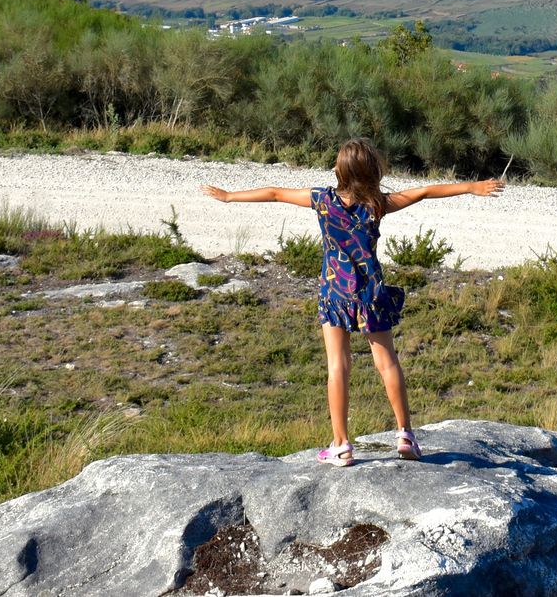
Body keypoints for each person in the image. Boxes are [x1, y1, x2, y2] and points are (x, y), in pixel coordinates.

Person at [200, 139, 505, 465]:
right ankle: (405, 435)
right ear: (372, 170)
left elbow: (275, 193)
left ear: (340, 171)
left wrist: (230, 196)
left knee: (338, 365)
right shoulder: (378, 204)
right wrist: (472, 187)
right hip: (370, 293)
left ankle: (341, 445)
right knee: (387, 363)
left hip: (335, 292)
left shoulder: (322, 200)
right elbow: (426, 191)